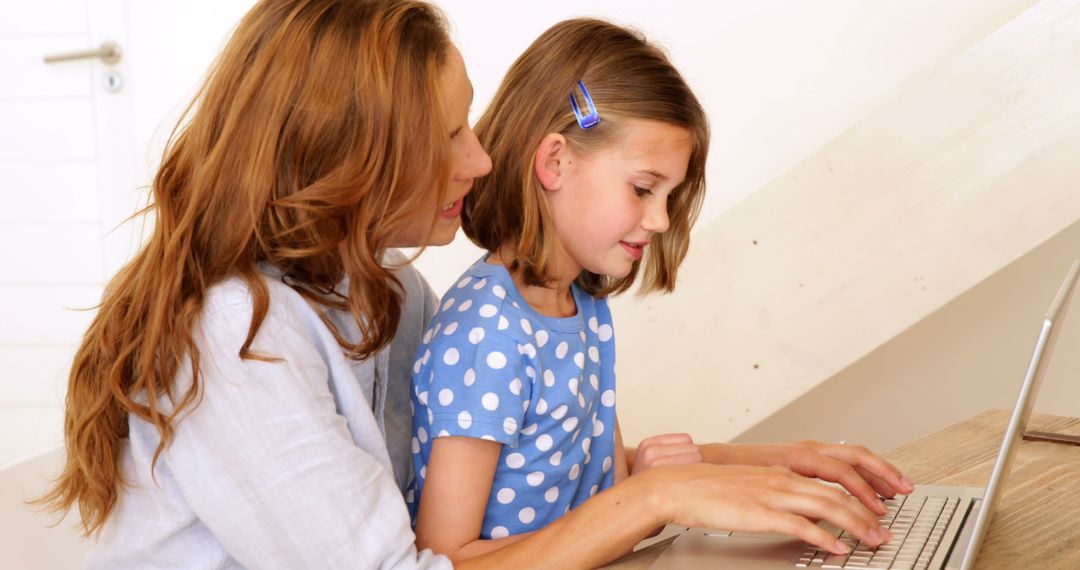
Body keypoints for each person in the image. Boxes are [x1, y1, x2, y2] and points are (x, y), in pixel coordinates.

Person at [38, 1, 911, 568]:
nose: (483, 158)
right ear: (358, 154)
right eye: (450, 132)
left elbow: (543, 470)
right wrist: (660, 495)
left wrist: (760, 467)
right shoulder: (232, 338)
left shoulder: (394, 298)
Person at [407, 18, 909, 564]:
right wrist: (640, 497)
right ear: (555, 161)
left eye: (668, 196)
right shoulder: (487, 332)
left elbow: (590, 489)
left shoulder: (580, 306)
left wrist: (784, 460)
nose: (661, 220)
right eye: (644, 188)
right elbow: (448, 559)